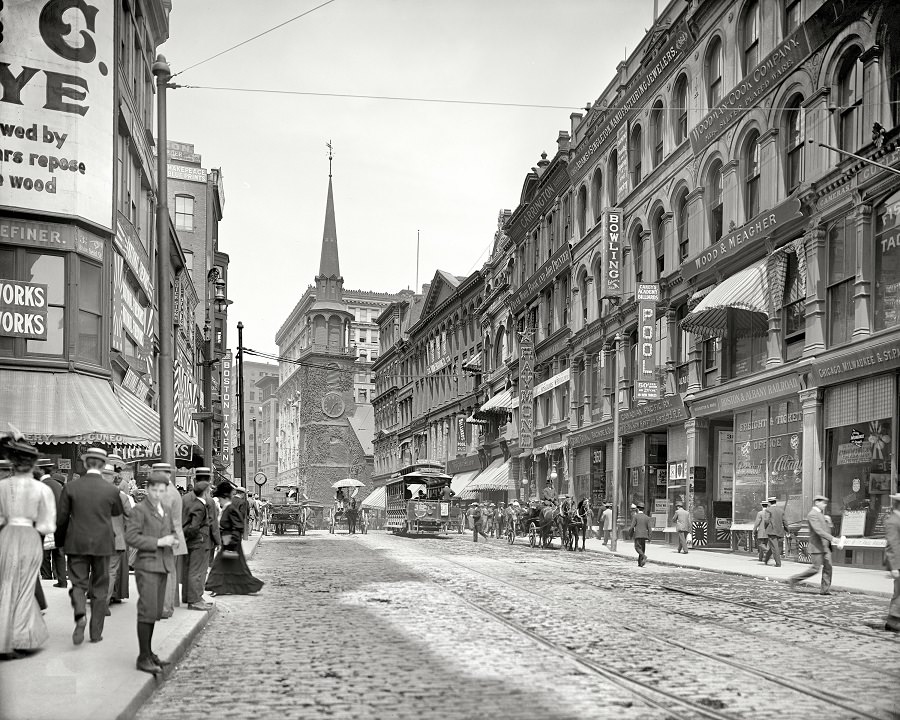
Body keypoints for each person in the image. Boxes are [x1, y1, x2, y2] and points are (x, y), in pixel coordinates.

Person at [56, 447, 123, 645]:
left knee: (78, 584)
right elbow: (117, 514)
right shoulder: (112, 490)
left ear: (85, 464)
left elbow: (61, 520)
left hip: (76, 542)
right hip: (103, 544)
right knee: (100, 588)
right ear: (103, 466)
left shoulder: (71, 488)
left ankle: (79, 615)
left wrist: (60, 543)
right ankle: (96, 632)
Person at [0, 433, 56, 658]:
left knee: (5, 586)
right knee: (25, 588)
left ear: (13, 463)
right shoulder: (42, 490)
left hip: (6, 536)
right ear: (33, 465)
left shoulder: (2, 487)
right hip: (30, 537)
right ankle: (20, 638)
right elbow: (47, 525)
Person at [124, 466, 179, 674]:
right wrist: (158, 541)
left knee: (154, 612)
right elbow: (131, 537)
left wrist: (172, 539)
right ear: (148, 489)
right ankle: (142, 656)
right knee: (147, 611)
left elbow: (171, 531)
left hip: (162, 564)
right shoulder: (140, 510)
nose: (158, 494)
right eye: (154, 490)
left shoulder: (163, 509)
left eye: (162, 490)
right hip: (147, 565)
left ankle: (148, 653)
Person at [206, 481, 263, 596]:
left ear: (224, 498)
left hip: (230, 542)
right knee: (237, 567)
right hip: (229, 541)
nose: (219, 502)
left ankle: (217, 587)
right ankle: (242, 586)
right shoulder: (227, 508)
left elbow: (238, 526)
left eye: (220, 499)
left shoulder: (230, 509)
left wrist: (231, 544)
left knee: (220, 565)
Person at [157, 464, 188, 618]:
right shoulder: (171, 490)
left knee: (166, 574)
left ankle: (164, 608)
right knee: (169, 573)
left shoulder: (166, 493)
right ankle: (166, 607)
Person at [789, 495, 836, 595]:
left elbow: (827, 530)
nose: (825, 505)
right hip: (817, 546)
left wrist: (829, 523)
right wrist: (833, 538)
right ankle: (794, 579)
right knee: (815, 569)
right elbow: (818, 530)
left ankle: (825, 590)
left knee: (828, 567)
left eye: (825, 503)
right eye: (823, 503)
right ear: (817, 502)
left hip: (825, 546)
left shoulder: (822, 515)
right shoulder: (812, 514)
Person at [181, 470, 214, 611]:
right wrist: (217, 541)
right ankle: (195, 599)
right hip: (201, 539)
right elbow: (212, 523)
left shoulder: (185, 498)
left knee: (188, 568)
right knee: (198, 570)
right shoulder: (207, 500)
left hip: (187, 538)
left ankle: (187, 596)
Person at [101, 463, 129, 611]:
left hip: (95, 539)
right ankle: (104, 603)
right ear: (112, 477)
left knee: (98, 570)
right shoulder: (121, 496)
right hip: (116, 539)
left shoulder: (93, 494)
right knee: (111, 571)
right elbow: (130, 518)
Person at [38, 463, 67, 586]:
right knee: (58, 553)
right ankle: (62, 580)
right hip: (59, 523)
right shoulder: (58, 485)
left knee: (44, 554)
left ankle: (46, 578)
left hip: (45, 523)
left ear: (41, 470)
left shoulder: (40, 485)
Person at [883, 492, 900, 633]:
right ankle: (893, 621)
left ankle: (893, 620)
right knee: (899, 593)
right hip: (898, 563)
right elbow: (891, 545)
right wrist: (894, 567)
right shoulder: (893, 521)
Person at [764, 496, 789, 567]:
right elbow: (785, 521)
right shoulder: (781, 510)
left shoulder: (768, 510)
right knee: (775, 546)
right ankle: (766, 559)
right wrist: (787, 530)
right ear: (775, 502)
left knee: (774, 547)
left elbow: (766, 520)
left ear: (769, 503)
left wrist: (765, 527)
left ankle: (778, 563)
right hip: (780, 531)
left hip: (772, 531)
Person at [630, 503, 651, 567]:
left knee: (637, 548)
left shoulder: (635, 517)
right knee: (642, 549)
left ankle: (644, 557)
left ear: (637, 509)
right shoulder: (647, 517)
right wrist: (649, 537)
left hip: (637, 534)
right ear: (643, 509)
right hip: (644, 535)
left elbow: (632, 527)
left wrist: (630, 534)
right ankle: (640, 563)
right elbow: (650, 529)